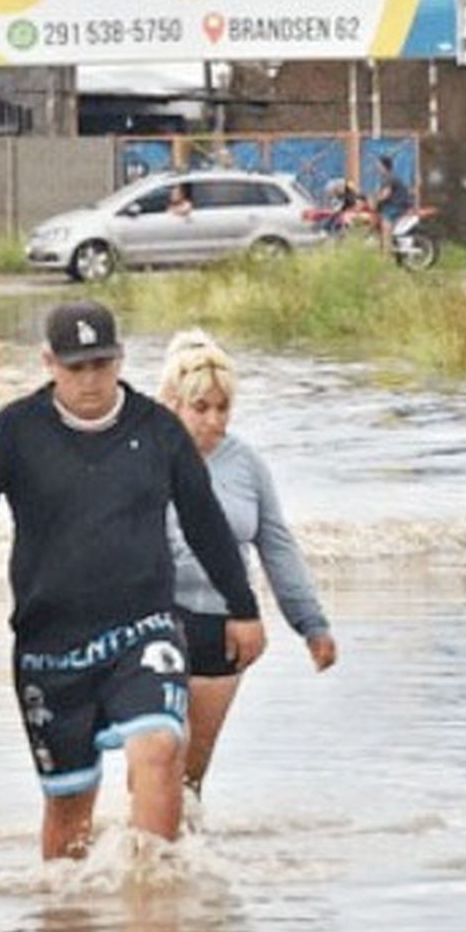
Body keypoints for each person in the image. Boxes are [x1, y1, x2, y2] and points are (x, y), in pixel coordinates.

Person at [0, 299, 266, 861]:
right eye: (76, 367)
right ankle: (66, 925)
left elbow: (205, 522)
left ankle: (155, 900)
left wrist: (243, 607)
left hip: (143, 628)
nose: (90, 380)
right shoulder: (18, 428)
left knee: (161, 746)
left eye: (101, 364)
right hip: (50, 645)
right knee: (69, 813)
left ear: (120, 359)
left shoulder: (158, 429)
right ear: (49, 362)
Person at [157, 328, 338, 798]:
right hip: (156, 623)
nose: (214, 421)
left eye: (223, 408)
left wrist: (310, 623)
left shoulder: (247, 465)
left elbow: (276, 545)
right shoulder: (145, 458)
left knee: (190, 776)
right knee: (158, 760)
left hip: (223, 629)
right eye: (201, 408)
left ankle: (182, 863)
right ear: (174, 402)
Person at [373, 154, 411, 258]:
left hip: (396, 205)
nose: (376, 166)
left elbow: (386, 194)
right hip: (392, 204)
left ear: (383, 165)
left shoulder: (389, 177)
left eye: (378, 164)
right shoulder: (385, 178)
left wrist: (375, 201)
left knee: (386, 223)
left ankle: (386, 253)